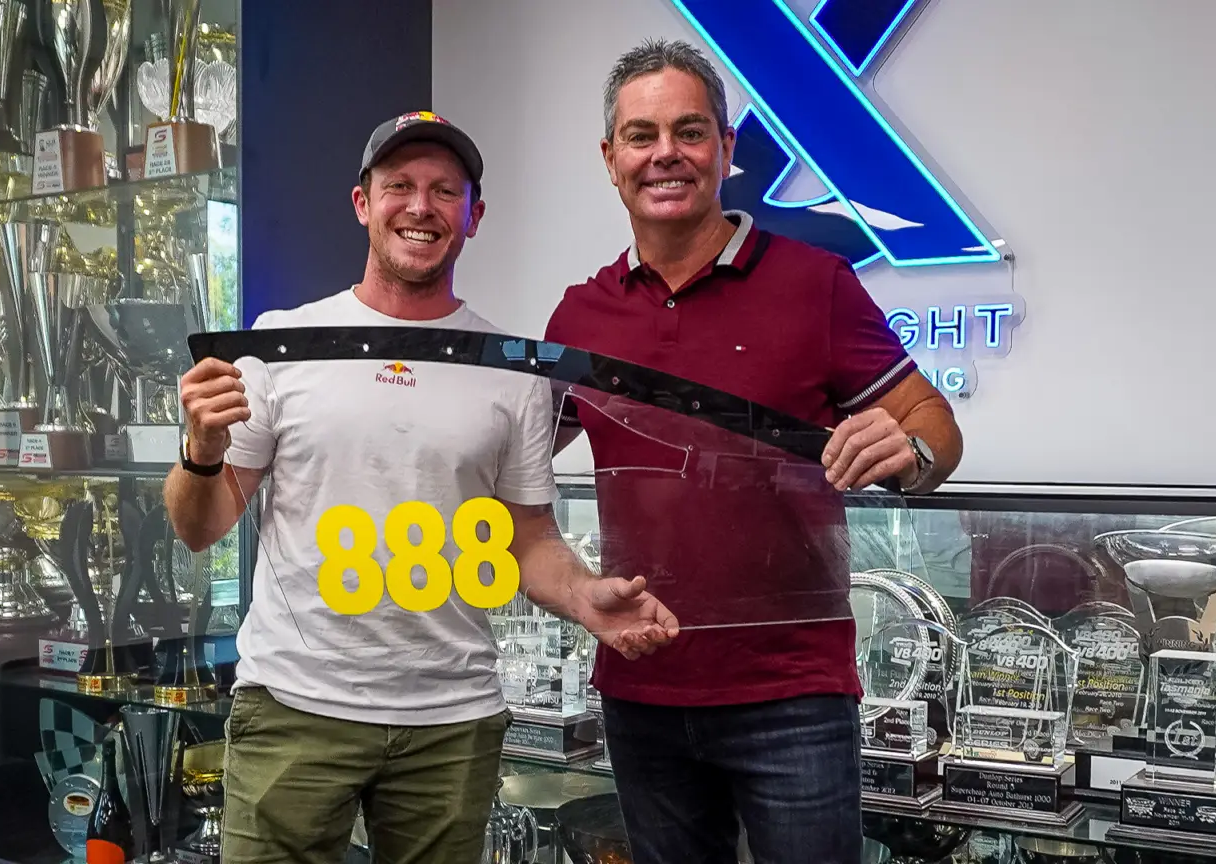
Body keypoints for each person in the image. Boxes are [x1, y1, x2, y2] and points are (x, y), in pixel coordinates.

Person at [163, 111, 678, 864]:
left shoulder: (510, 370)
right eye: (399, 185)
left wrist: (585, 596)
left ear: (474, 215)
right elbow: (198, 526)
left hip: (451, 719)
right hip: (296, 706)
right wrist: (201, 452)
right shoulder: (281, 343)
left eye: (445, 191)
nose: (420, 206)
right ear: (362, 203)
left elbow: (528, 538)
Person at [543, 40, 964, 864]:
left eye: (690, 131)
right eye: (641, 136)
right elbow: (512, 462)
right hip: (640, 685)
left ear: (726, 148)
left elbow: (935, 424)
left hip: (792, 696)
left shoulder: (816, 284)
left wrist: (911, 450)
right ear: (610, 158)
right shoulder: (580, 315)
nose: (665, 153)